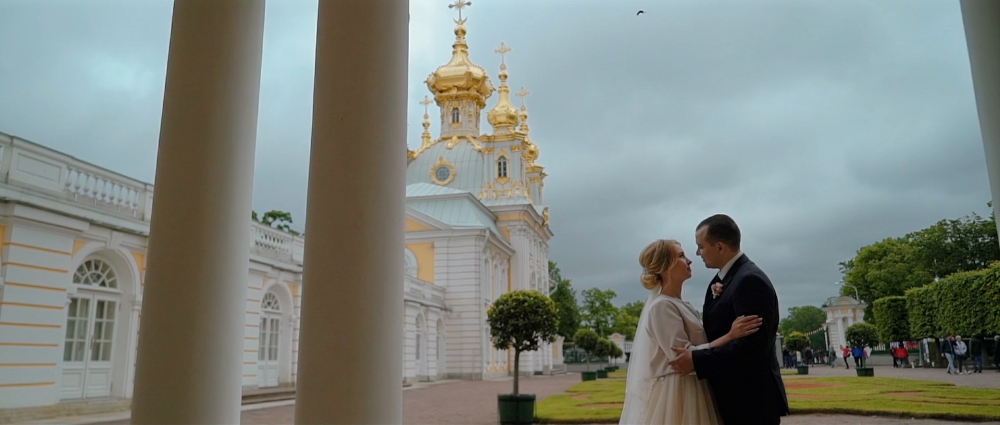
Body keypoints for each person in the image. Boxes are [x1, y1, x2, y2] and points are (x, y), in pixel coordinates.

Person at [619, 239, 762, 425]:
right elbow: (682, 357)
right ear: (665, 266)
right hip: (678, 392)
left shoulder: (683, 304)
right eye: (681, 256)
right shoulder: (662, 306)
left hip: (695, 386)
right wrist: (731, 336)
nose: (689, 260)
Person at [667, 214, 789, 425]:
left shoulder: (749, 280)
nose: (697, 253)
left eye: (701, 246)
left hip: (750, 402)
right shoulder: (723, 280)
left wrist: (697, 360)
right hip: (734, 398)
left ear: (720, 247)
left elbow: (752, 347)